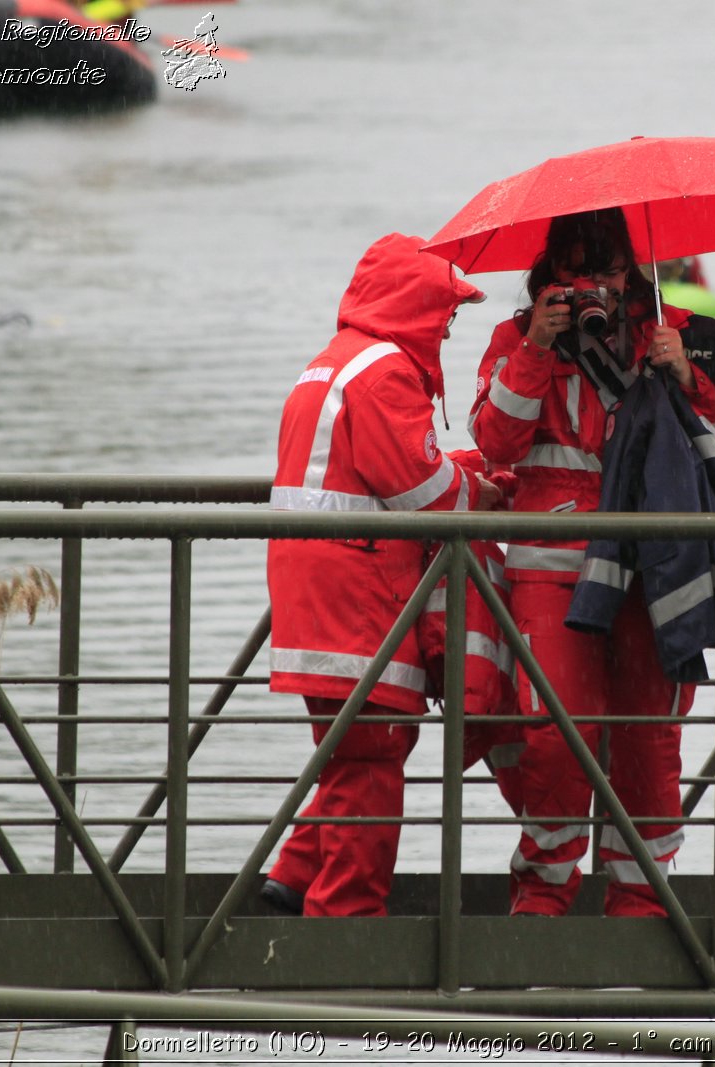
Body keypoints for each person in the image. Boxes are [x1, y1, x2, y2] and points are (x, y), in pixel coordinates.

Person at [468, 209, 715, 917]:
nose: (594, 285)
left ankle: (642, 901)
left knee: (648, 737)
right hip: (551, 562)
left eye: (608, 269)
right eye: (576, 270)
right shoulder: (518, 334)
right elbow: (495, 441)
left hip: (653, 563)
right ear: (551, 275)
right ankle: (543, 891)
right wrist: (537, 345)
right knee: (556, 732)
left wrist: (683, 369)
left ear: (632, 271)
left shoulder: (669, 326)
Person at [262, 232, 503, 918]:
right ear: (416, 306)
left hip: (314, 594)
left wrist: (454, 467)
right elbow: (425, 494)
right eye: (445, 317)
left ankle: (293, 875)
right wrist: (477, 488)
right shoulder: (388, 373)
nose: (448, 332)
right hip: (358, 600)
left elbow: (374, 471)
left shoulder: (332, 363)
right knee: (373, 755)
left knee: (348, 751)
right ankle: (343, 922)